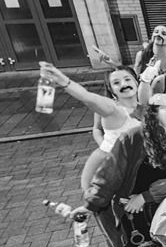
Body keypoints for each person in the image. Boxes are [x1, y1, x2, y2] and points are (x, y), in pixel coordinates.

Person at [71, 93, 166, 247]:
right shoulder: (133, 137)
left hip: (161, 210)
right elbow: (110, 173)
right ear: (155, 114)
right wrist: (91, 204)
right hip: (129, 211)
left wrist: (144, 197)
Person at [38, 63, 142, 191]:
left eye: (127, 79)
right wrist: (63, 80)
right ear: (111, 90)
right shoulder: (112, 109)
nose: (123, 84)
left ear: (136, 82)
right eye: (116, 83)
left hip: (136, 168)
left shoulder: (145, 105)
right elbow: (87, 97)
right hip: (111, 169)